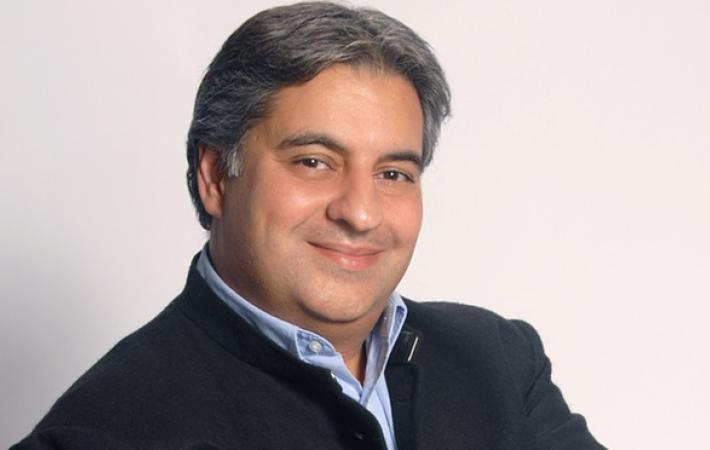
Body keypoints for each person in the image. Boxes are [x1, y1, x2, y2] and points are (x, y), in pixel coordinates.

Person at [13, 2, 605, 449]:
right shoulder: (101, 435)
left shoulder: (499, 361)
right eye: (314, 162)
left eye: (394, 173)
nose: (361, 212)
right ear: (216, 177)